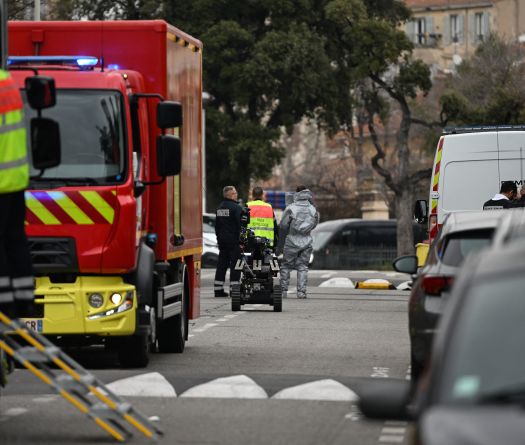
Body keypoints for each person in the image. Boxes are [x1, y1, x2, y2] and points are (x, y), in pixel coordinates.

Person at [0, 70, 35, 318]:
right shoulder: (6, 81)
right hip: (15, 180)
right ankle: (24, 301)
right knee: (15, 241)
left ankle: (5, 306)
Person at [276, 185, 319, 299]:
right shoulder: (312, 208)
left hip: (292, 240)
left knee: (286, 265)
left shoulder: (291, 208)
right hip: (306, 240)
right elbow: (315, 224)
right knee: (303, 266)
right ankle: (301, 292)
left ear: (297, 193)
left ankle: (283, 291)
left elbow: (284, 225)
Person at [214, 185, 242, 297]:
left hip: (222, 241)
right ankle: (234, 290)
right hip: (234, 241)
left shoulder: (220, 207)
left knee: (222, 264)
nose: (236, 194)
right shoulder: (237, 208)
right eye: (235, 193)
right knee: (236, 265)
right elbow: (241, 226)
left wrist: (218, 239)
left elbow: (217, 226)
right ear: (231, 195)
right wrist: (242, 241)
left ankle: (218, 289)